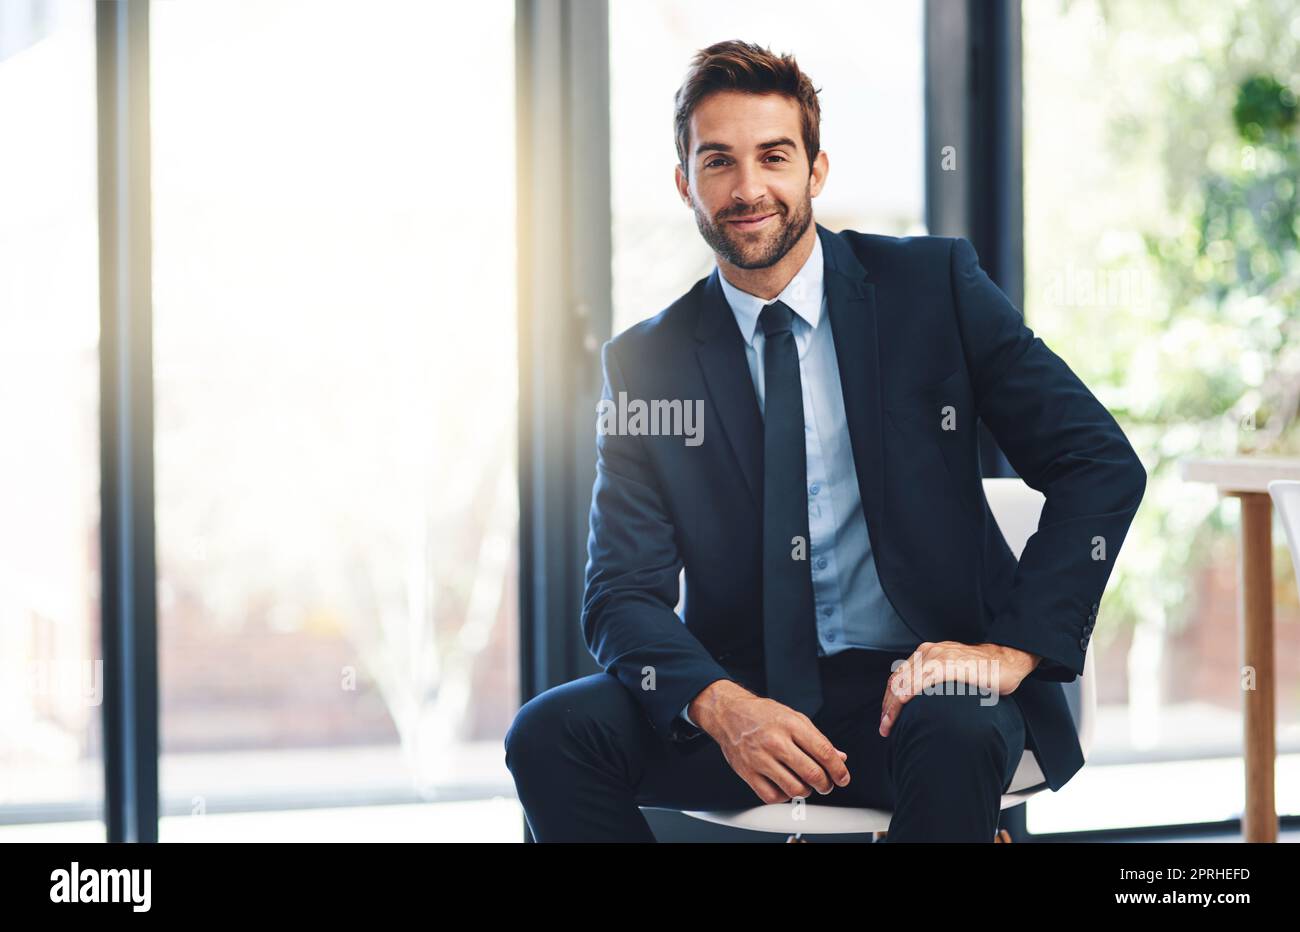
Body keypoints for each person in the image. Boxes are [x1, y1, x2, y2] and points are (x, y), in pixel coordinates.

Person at [504, 39, 1145, 842]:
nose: (748, 189)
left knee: (956, 730)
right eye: (718, 163)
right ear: (684, 184)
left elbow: (1099, 463)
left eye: (774, 156)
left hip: (920, 692)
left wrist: (1010, 652)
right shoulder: (649, 362)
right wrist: (719, 702)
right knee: (548, 735)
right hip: (747, 700)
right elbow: (620, 593)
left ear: (816, 170)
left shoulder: (932, 291)